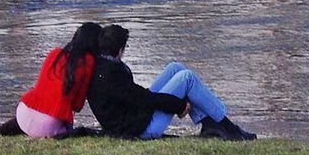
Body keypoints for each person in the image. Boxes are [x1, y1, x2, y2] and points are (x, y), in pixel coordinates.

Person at [87, 24, 256, 140]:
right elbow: (143, 98)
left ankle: (208, 123)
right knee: (187, 78)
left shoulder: (103, 66)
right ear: (119, 49)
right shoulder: (111, 74)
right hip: (141, 129)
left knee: (175, 68)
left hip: (134, 118)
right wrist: (179, 105)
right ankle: (226, 125)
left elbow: (137, 97)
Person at [0, 22, 101, 138]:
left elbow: (41, 84)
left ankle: (1, 130)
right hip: (49, 126)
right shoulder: (88, 62)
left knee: (35, 113)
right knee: (77, 131)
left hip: (24, 111)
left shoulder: (55, 53)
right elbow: (77, 105)